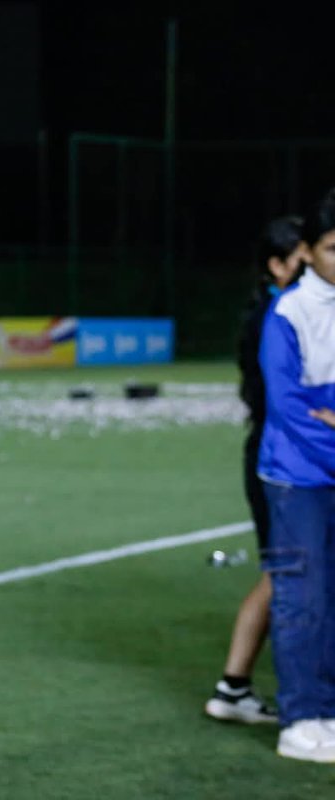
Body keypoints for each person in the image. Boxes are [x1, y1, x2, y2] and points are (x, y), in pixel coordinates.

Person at [204, 215, 304, 725]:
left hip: (282, 454)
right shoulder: (279, 317)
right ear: (277, 265)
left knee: (286, 572)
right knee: (287, 573)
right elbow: (283, 403)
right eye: (302, 262)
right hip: (281, 460)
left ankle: (236, 686)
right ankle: (257, 689)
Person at [257, 186, 335, 762]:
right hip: (296, 480)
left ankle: (327, 710)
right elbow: (289, 408)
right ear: (307, 251)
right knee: (301, 597)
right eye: (334, 248)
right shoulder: (288, 310)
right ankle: (300, 718)